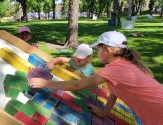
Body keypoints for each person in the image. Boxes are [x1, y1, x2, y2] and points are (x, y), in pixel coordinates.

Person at [28, 31, 163, 125]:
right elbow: (115, 91)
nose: (97, 53)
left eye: (98, 49)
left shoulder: (115, 69)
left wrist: (46, 83)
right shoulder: (124, 64)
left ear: (107, 50)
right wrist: (104, 112)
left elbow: (78, 85)